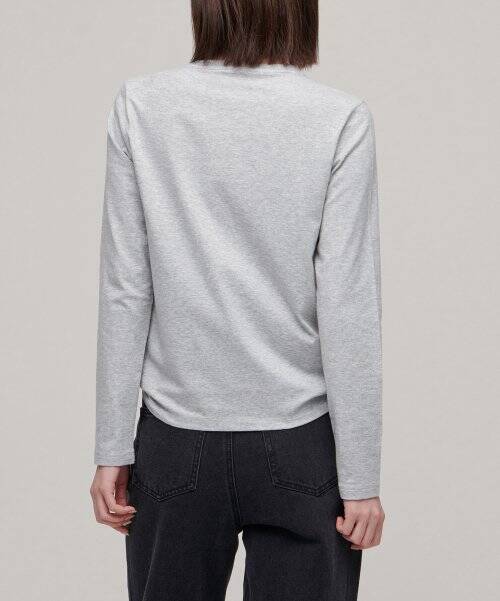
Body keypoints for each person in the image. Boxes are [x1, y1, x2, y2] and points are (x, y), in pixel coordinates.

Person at [90, 1, 385, 599]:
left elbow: (126, 288)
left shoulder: (142, 105)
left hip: (175, 438)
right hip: (300, 439)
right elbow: (348, 303)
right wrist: (361, 478)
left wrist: (112, 446)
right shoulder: (338, 117)